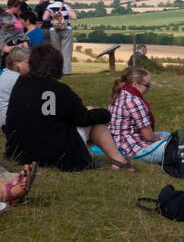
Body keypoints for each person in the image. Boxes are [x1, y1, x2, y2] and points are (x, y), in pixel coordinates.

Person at [2, 43, 133, 171]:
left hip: (20, 152)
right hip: (53, 155)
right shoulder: (59, 90)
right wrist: (105, 113)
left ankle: (119, 161)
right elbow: (83, 119)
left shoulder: (21, 83)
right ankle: (120, 161)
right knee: (95, 120)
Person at [107, 66, 170, 164]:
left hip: (118, 141)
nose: (149, 89)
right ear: (136, 84)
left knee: (169, 136)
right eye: (147, 85)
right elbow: (148, 136)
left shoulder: (120, 93)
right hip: (131, 148)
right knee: (173, 147)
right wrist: (158, 138)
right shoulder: (134, 101)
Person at [0, 42, 31, 128]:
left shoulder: (7, 73)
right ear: (16, 63)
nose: (32, 65)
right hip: (9, 120)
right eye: (28, 62)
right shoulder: (16, 78)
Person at [45, 0, 76, 75]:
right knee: (66, 51)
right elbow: (74, 17)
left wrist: (52, 19)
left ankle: (56, 71)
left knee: (55, 52)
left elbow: (44, 18)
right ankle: (66, 71)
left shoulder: (50, 7)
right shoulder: (65, 6)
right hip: (66, 29)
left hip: (54, 30)